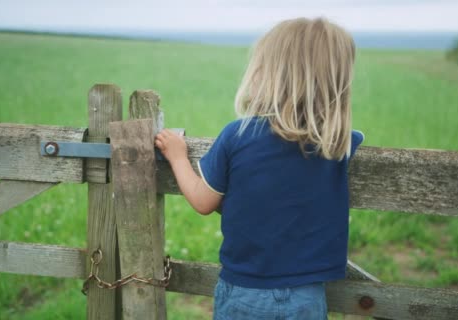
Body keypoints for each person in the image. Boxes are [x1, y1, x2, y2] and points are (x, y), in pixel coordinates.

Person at [155, 17, 364, 320]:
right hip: (307, 296)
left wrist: (177, 157)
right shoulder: (339, 143)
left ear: (270, 75)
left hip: (244, 291)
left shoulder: (239, 135)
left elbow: (203, 202)